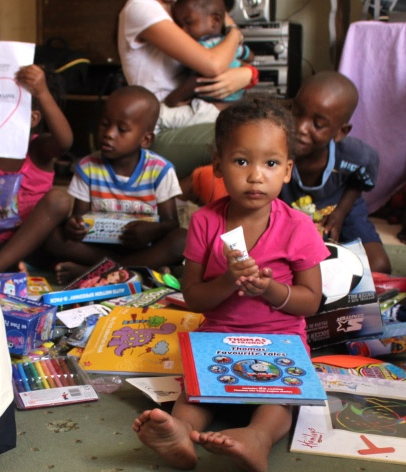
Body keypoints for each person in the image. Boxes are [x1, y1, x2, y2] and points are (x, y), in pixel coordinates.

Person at [133, 95, 328, 472]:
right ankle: (182, 433)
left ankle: (257, 438)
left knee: (277, 401)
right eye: (242, 161)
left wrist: (271, 291)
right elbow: (193, 296)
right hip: (219, 336)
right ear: (218, 165)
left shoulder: (297, 227)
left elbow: (310, 303)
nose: (256, 175)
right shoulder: (206, 222)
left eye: (270, 163)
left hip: (280, 340)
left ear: (287, 170)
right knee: (194, 391)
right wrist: (227, 280)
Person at [45, 86, 187, 283]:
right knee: (53, 236)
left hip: (143, 247)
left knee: (182, 239)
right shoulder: (87, 168)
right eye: (104, 124)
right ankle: (132, 271)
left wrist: (151, 231)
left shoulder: (160, 170)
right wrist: (74, 226)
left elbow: (171, 223)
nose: (109, 133)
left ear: (145, 139)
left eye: (122, 129)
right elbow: (78, 217)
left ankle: (94, 272)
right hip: (100, 248)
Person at [0, 64, 74, 274]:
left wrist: (42, 92)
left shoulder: (38, 148)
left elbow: (65, 142)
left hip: (38, 242)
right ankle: (5, 262)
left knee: (59, 200)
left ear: (33, 119)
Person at [118, 0, 255, 179]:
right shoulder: (141, 6)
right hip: (157, 129)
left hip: (191, 113)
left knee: (258, 130)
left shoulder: (184, 6)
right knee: (241, 139)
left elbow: (229, 48)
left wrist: (249, 74)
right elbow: (213, 64)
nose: (185, 29)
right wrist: (236, 34)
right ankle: (184, 189)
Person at [279, 71, 391, 274]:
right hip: (287, 213)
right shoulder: (275, 147)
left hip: (339, 210)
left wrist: (340, 213)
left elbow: (359, 182)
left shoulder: (358, 156)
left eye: (318, 124)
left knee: (378, 266)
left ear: (340, 132)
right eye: (296, 113)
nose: (300, 127)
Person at [163, 0, 254, 110]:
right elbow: (250, 56)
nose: (182, 30)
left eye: (189, 22)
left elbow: (196, 81)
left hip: (210, 106)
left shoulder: (202, 45)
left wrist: (171, 101)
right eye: (180, 25)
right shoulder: (228, 43)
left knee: (163, 114)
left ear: (215, 20)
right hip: (236, 101)